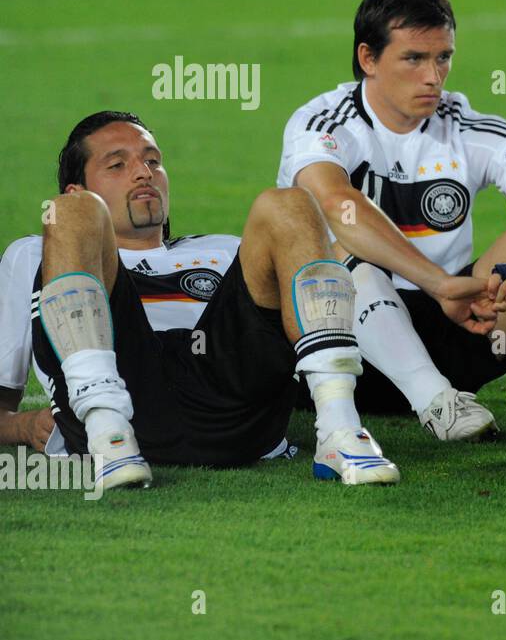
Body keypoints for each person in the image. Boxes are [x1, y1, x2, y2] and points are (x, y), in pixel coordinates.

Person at [0, 111, 398, 489]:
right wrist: (20, 426)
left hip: (233, 406)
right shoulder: (36, 253)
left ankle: (341, 431)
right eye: (117, 165)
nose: (144, 173)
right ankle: (110, 438)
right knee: (67, 215)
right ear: (79, 185)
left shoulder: (226, 250)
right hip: (124, 388)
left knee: (289, 202)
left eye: (153, 161)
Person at [280, 0, 506, 442]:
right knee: (340, 249)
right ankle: (435, 399)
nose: (433, 77)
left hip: (459, 328)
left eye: (443, 58)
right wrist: (439, 283)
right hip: (343, 343)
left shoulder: (472, 127)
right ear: (367, 58)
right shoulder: (324, 123)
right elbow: (336, 204)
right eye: (413, 58)